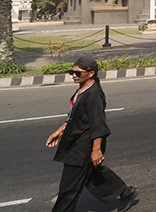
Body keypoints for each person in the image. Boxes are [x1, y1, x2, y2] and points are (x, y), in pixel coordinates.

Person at [46, 58, 138, 212]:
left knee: (69, 189)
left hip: (84, 145)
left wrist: (96, 150)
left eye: (78, 73)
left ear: (91, 73)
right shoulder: (83, 88)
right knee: (89, 174)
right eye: (72, 72)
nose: (74, 76)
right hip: (77, 141)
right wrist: (60, 131)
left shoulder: (94, 94)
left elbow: (98, 125)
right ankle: (126, 193)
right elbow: (76, 116)